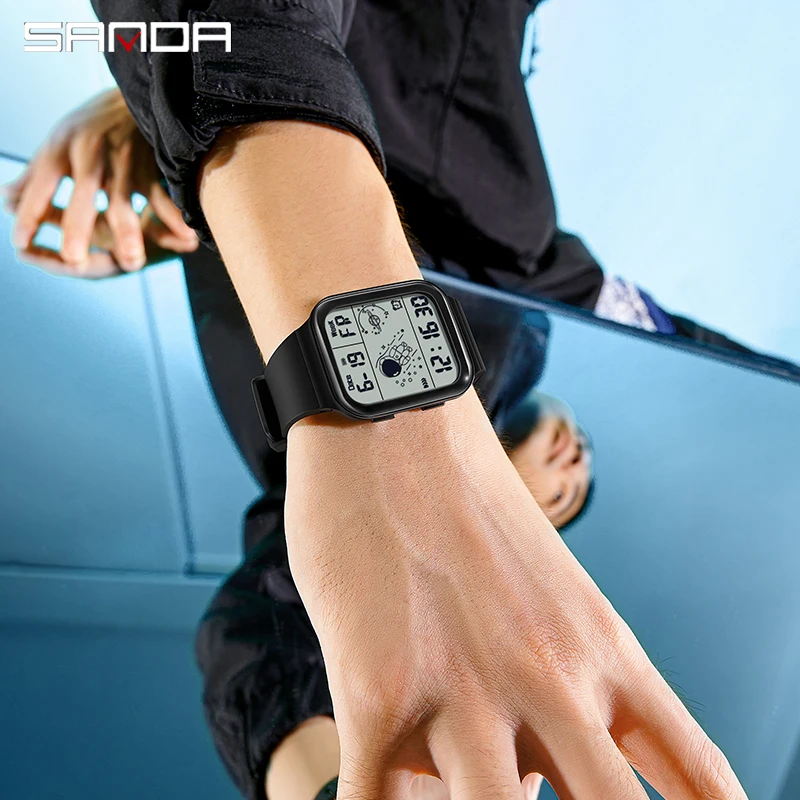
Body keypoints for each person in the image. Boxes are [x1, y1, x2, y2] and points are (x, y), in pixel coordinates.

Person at [3, 2, 749, 800]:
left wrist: (171, 80)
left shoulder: (321, 486)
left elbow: (263, 649)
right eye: (584, 468)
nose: (574, 466)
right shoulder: (536, 293)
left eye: (559, 501)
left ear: (522, 547)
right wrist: (162, 80)